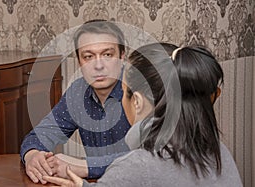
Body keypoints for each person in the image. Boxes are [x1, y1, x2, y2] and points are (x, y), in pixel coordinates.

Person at [42, 43, 243, 186]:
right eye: (88, 56)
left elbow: (138, 175)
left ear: (136, 101)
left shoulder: (137, 166)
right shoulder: (217, 149)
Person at [20, 20, 131, 184]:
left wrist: (82, 166)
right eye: (88, 57)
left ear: (122, 56)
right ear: (79, 61)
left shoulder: (139, 90)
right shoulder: (78, 92)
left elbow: (152, 156)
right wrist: (33, 155)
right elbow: (42, 134)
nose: (98, 65)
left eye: (107, 55)